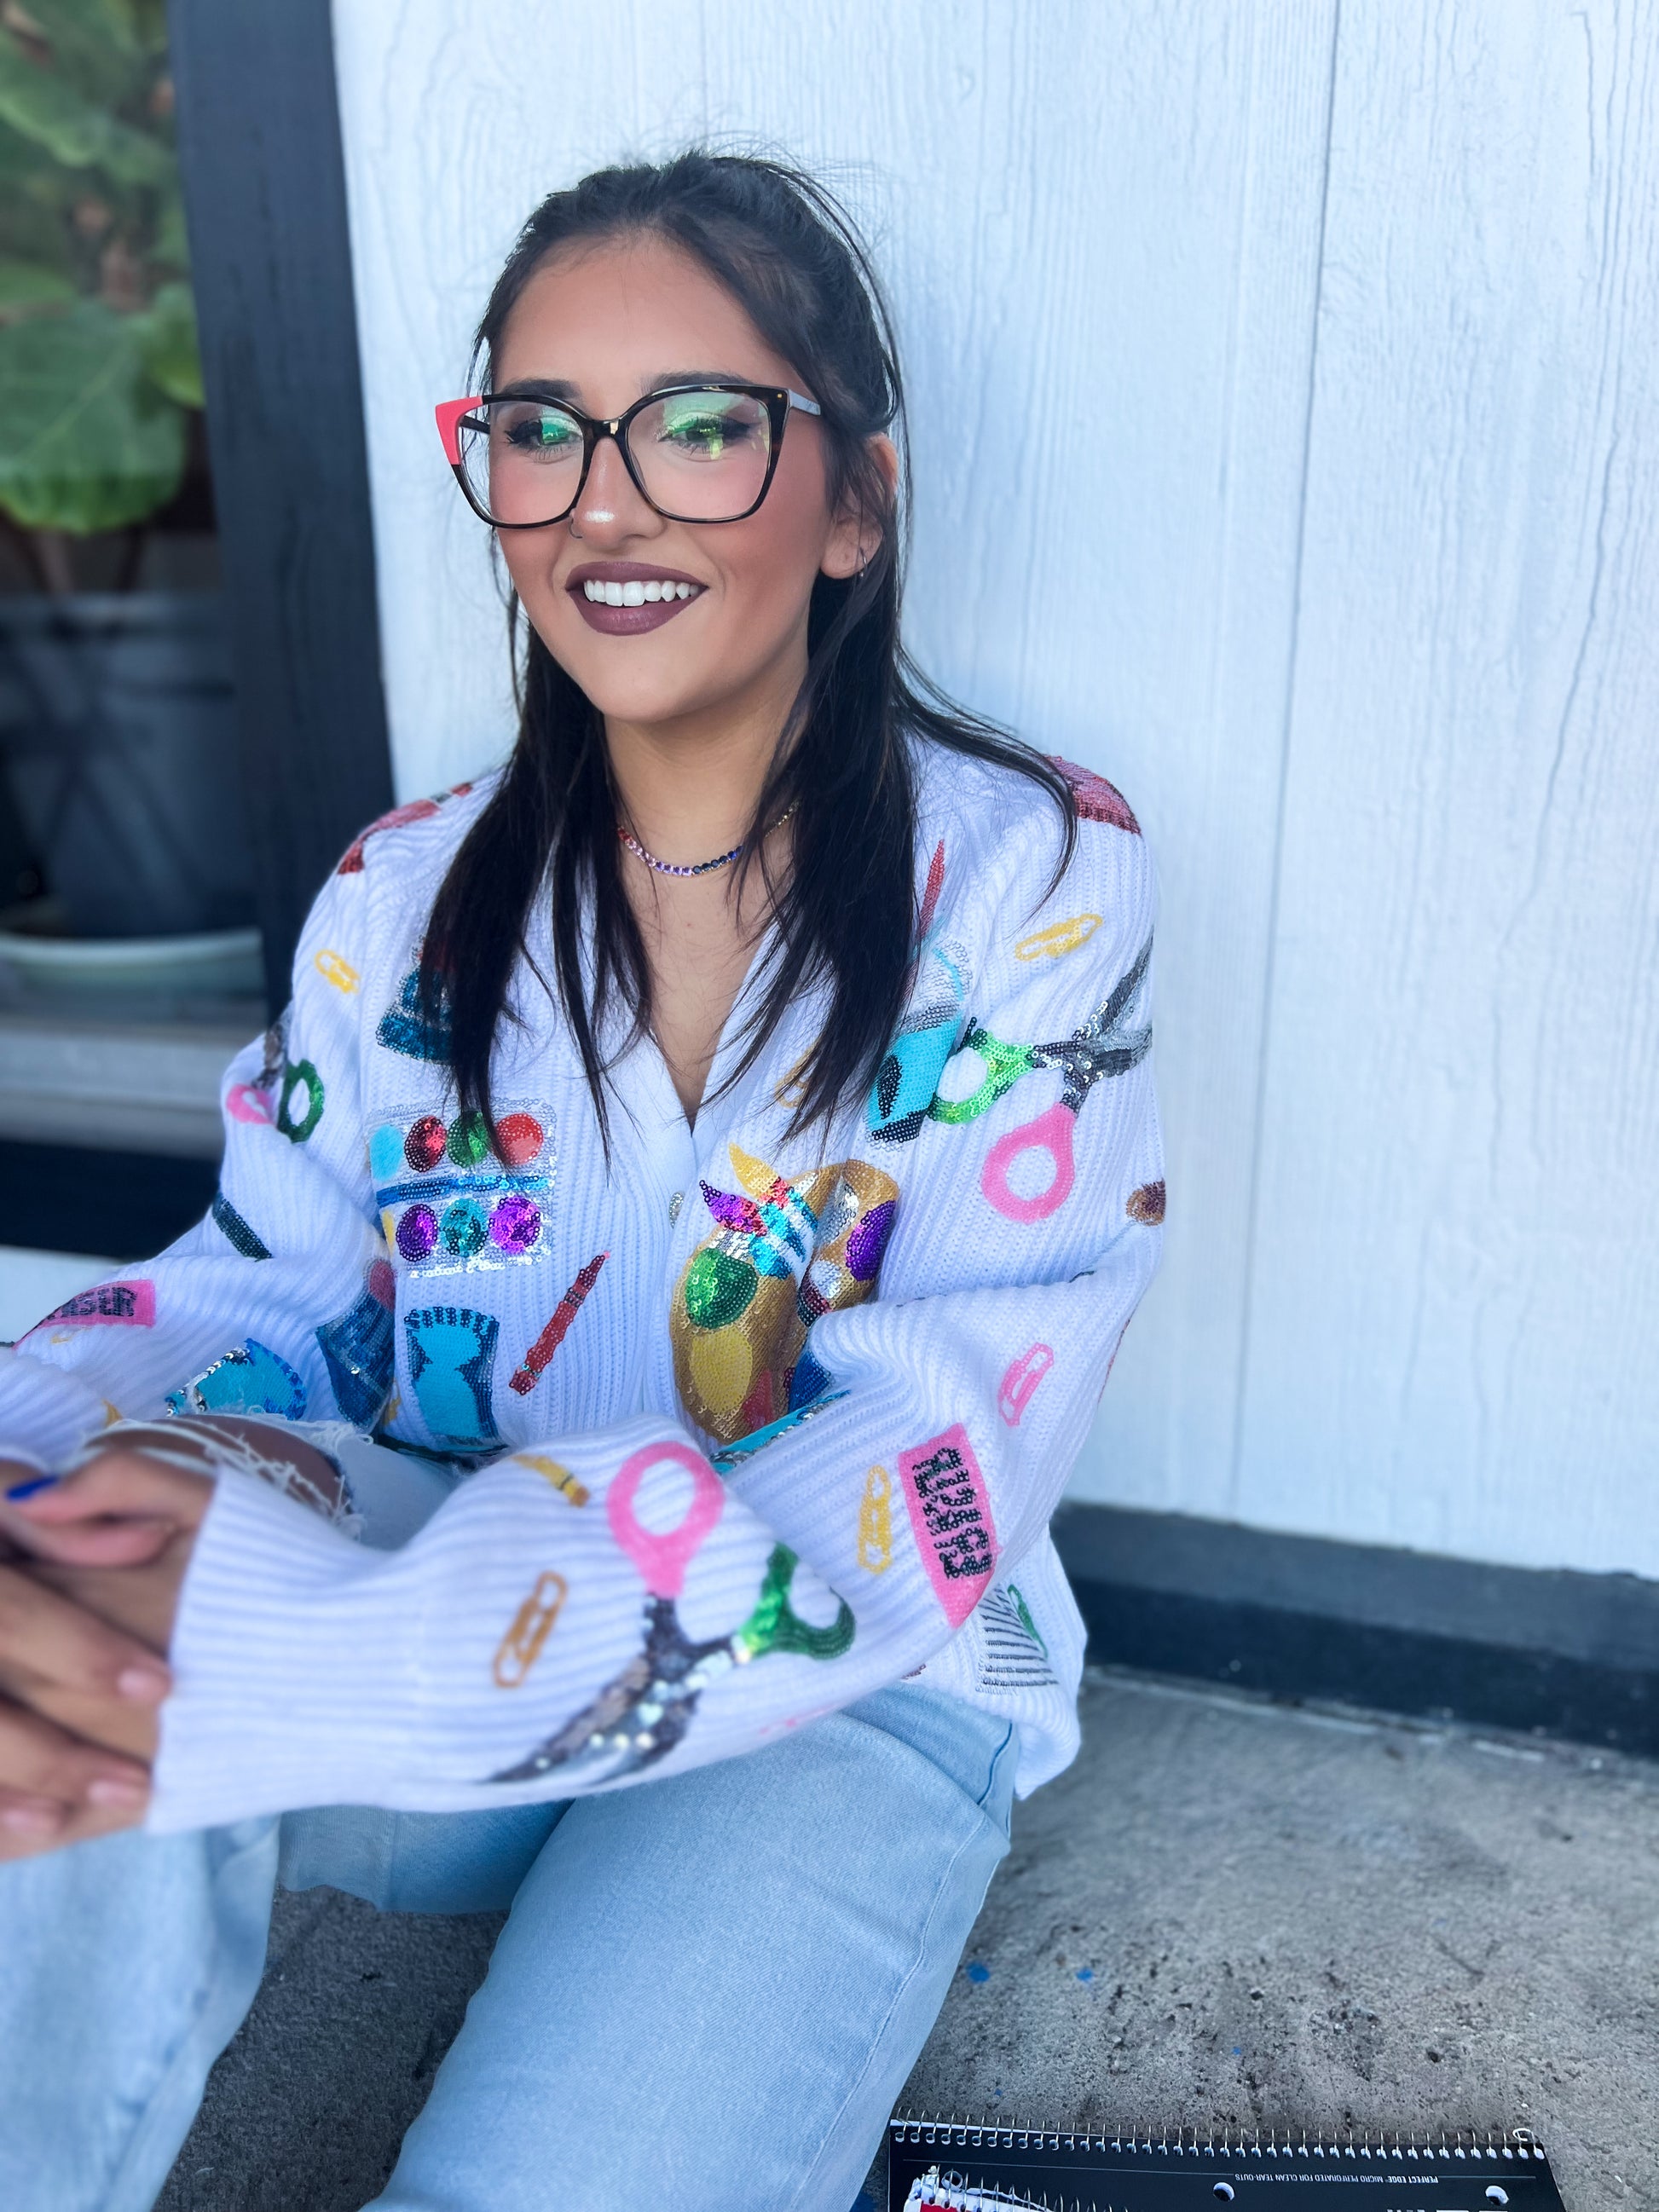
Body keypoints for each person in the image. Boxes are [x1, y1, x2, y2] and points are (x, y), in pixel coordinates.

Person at [0, 153, 1163, 2212]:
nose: (604, 500)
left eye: (701, 425)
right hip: (437, 1598)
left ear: (855, 500)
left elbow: (919, 1475)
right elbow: (252, 1295)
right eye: (539, 430)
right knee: (68, 1588)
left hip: (840, 1691)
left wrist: (342, 1654)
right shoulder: (400, 892)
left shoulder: (1038, 879)